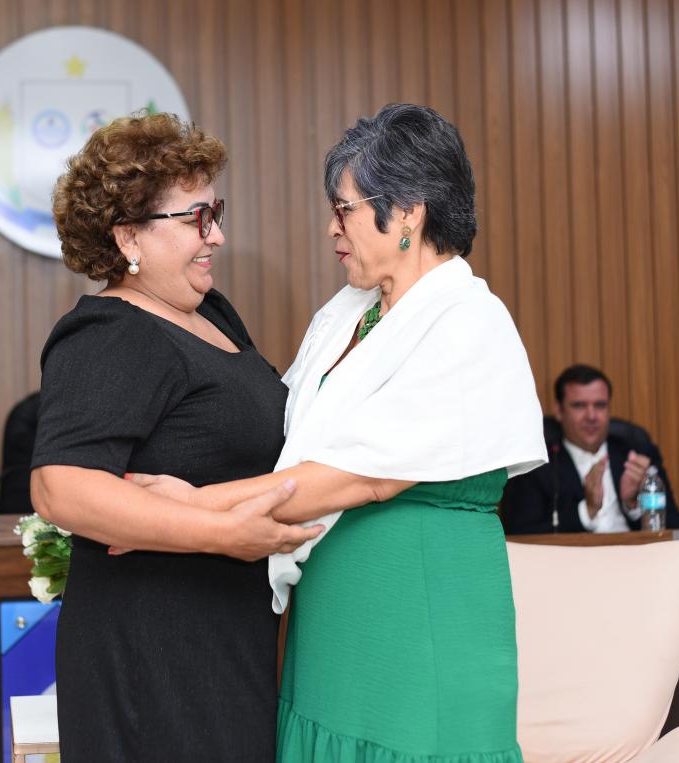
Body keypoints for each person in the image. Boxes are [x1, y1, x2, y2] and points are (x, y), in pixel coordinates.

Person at [132, 104, 547, 762]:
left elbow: (360, 477)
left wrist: (184, 507)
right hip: (334, 626)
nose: (332, 227)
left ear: (407, 212)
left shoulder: (469, 321)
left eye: (344, 209)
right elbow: (288, 440)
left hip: (418, 622)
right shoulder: (350, 313)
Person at [29, 113, 322, 762]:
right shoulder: (110, 332)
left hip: (223, 636)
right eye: (197, 218)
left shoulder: (209, 309)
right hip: (151, 653)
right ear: (129, 236)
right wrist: (223, 532)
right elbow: (59, 487)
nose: (217, 234)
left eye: (215, 212)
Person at [505, 363, 679, 534]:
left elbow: (676, 528)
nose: (591, 416)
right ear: (559, 411)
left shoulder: (636, 454)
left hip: (636, 553)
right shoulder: (536, 465)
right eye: (579, 405)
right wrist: (587, 511)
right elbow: (520, 534)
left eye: (600, 405)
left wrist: (634, 504)